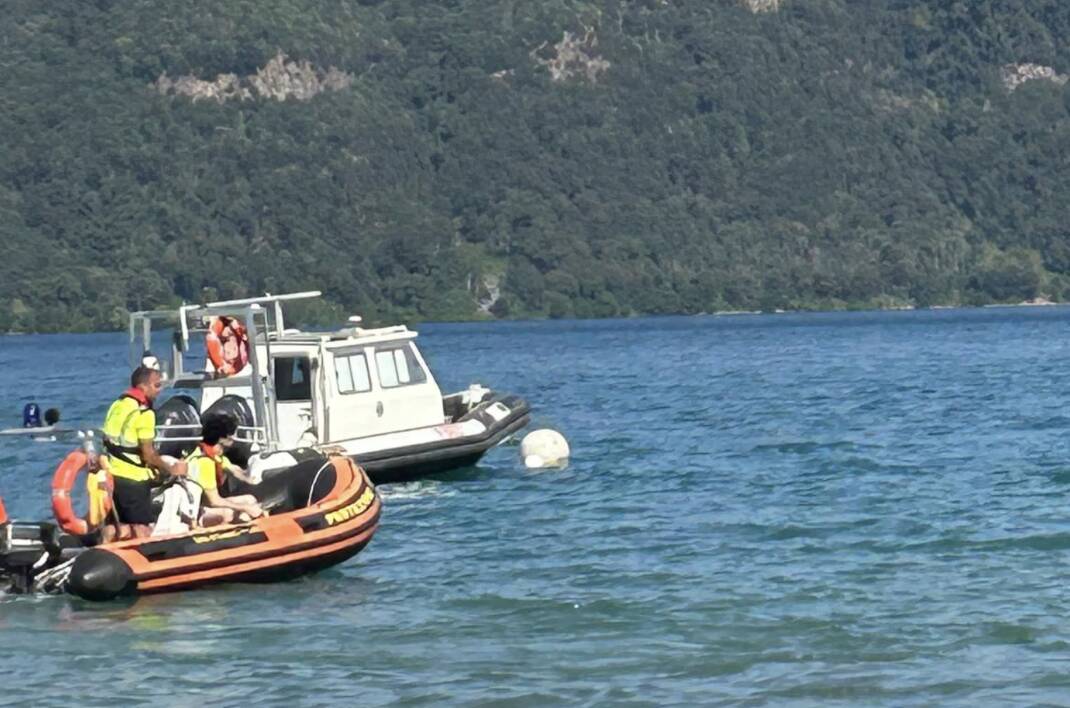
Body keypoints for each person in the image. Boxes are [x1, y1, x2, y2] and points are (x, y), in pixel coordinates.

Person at [101, 366, 186, 537]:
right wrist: (171, 469)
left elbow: (108, 440)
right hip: (134, 479)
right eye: (157, 385)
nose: (160, 390)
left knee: (115, 526)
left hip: (112, 475)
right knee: (142, 528)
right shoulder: (145, 414)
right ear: (143, 387)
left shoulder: (117, 405)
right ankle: (149, 560)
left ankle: (102, 553)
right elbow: (148, 454)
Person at [185, 413, 263, 526]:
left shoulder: (216, 455)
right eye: (233, 434)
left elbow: (234, 470)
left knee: (250, 499)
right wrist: (246, 508)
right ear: (223, 437)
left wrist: (249, 478)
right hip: (196, 512)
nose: (235, 437)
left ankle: (250, 529)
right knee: (228, 513)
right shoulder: (204, 462)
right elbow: (214, 501)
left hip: (206, 506)